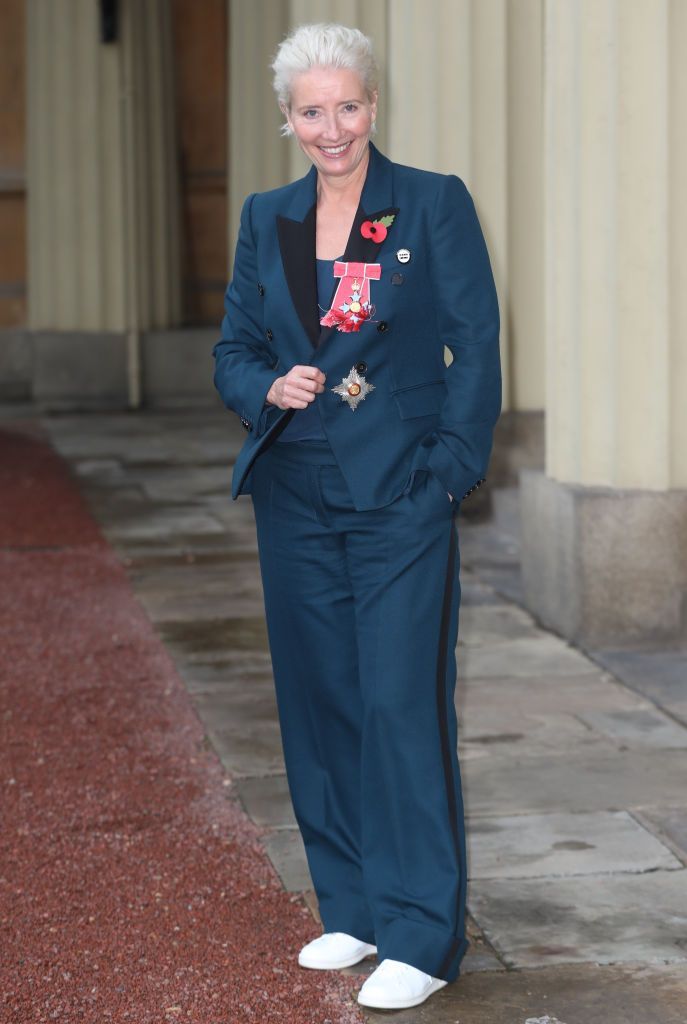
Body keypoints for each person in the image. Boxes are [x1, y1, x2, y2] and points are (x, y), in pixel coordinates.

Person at [213, 22, 501, 1011]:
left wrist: (449, 473)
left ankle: (421, 931)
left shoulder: (430, 202)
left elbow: (476, 343)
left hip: (399, 497)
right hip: (295, 492)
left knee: (396, 704)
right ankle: (355, 906)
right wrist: (266, 386)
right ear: (287, 120)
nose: (331, 128)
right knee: (322, 700)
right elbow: (233, 348)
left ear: (372, 106)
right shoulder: (266, 217)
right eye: (311, 112)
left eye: (347, 106)